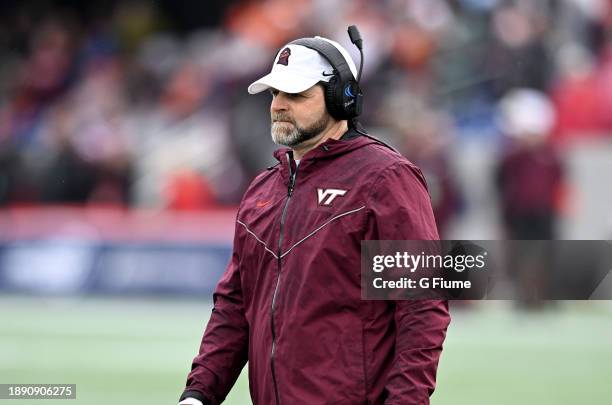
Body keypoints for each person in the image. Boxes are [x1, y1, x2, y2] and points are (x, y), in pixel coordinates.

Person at [179, 28, 450, 405]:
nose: (279, 105)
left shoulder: (385, 179)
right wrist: (199, 393)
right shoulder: (262, 189)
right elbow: (234, 307)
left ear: (342, 99)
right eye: (275, 93)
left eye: (296, 94)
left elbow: (421, 306)